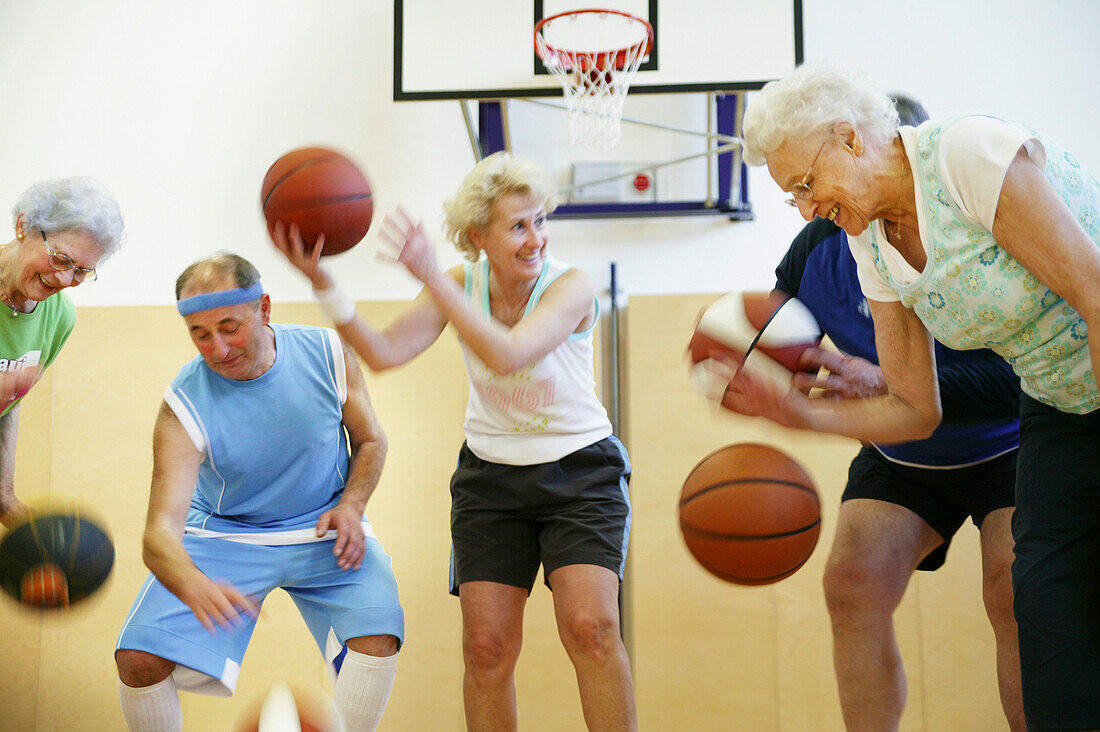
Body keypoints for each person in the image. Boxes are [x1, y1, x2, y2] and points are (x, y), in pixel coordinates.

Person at [721, 62, 1100, 732]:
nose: (806, 209)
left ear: (850, 139)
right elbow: (913, 409)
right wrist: (794, 410)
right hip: (1054, 403)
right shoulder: (867, 237)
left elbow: (1094, 294)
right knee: (1045, 606)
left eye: (806, 185)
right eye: (792, 198)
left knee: (1031, 593)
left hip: (1046, 411)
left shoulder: (965, 154)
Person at [273, 151, 636, 731]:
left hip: (581, 474)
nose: (535, 237)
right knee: (486, 649)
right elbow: (384, 352)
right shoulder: (464, 282)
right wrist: (325, 283)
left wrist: (433, 278)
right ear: (477, 237)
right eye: (518, 225)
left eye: (540, 220)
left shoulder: (570, 285)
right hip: (490, 481)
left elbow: (508, 352)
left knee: (591, 631)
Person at [771, 93, 1023, 731]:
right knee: (851, 585)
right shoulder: (819, 248)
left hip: (1014, 443)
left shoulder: (968, 219)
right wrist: (735, 357)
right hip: (903, 452)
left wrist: (885, 380)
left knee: (1014, 588)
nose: (809, 201)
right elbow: (773, 335)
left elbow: (1014, 380)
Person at [115, 253, 403, 732]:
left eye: (230, 327)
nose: (218, 348)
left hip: (325, 525)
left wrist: (352, 506)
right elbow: (159, 536)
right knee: (138, 660)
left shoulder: (329, 353)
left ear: (264, 308)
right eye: (200, 334)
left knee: (378, 636)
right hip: (225, 535)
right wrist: (194, 584)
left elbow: (371, 438)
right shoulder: (184, 404)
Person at [0, 177, 124, 527]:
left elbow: (9, 403)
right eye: (60, 258)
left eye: (82, 271)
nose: (65, 279)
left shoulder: (59, 317)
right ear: (23, 226)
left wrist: (6, 497)